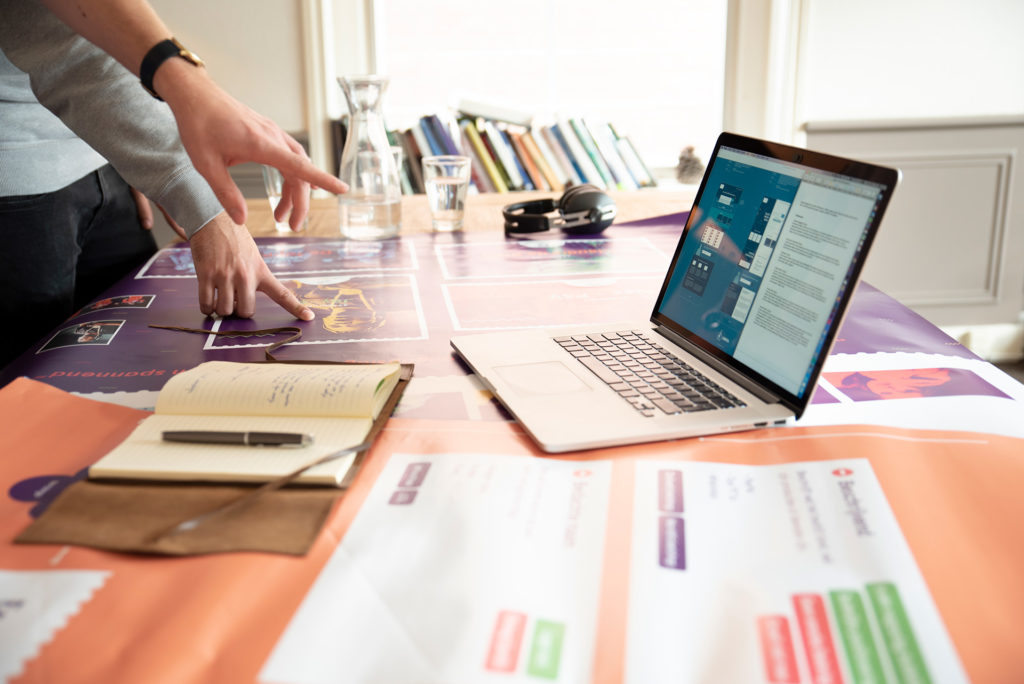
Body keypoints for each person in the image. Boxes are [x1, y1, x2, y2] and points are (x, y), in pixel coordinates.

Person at [0, 0, 344, 368]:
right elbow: (67, 53)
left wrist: (129, 156)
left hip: (100, 161)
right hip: (16, 182)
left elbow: (112, 32)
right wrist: (197, 195)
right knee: (24, 394)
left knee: (124, 369)